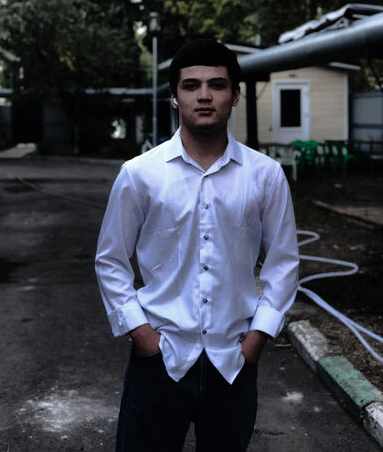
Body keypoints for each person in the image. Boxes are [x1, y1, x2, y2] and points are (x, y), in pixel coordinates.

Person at [95, 39, 299, 452]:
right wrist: (141, 333)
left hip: (233, 361)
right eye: (191, 85)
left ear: (235, 95)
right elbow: (111, 259)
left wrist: (258, 337)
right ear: (174, 97)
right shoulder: (140, 174)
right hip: (160, 359)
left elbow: (283, 262)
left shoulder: (265, 175)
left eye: (216, 85)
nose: (204, 95)